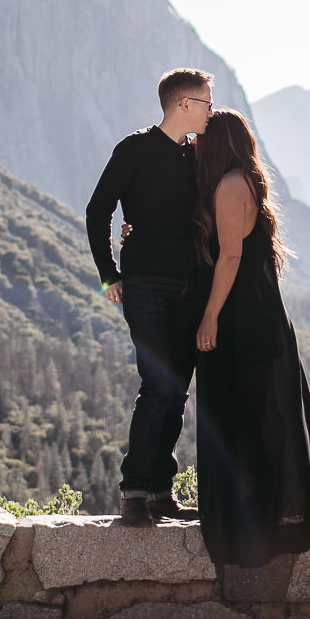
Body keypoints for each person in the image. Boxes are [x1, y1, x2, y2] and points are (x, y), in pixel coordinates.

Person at [192, 107, 310, 566]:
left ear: (219, 141)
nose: (196, 142)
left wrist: (209, 317)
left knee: (244, 422)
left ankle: (248, 530)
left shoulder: (229, 186)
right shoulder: (246, 182)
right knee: (257, 422)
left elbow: (229, 259)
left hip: (241, 323)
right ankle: (260, 523)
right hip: (257, 319)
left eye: (202, 137)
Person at [86, 67, 216, 525]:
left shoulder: (196, 155)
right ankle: (134, 491)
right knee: (157, 384)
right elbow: (98, 209)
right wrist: (109, 274)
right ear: (184, 104)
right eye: (206, 102)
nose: (211, 111)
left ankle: (161, 491)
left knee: (177, 389)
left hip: (189, 287)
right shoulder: (134, 149)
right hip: (145, 284)